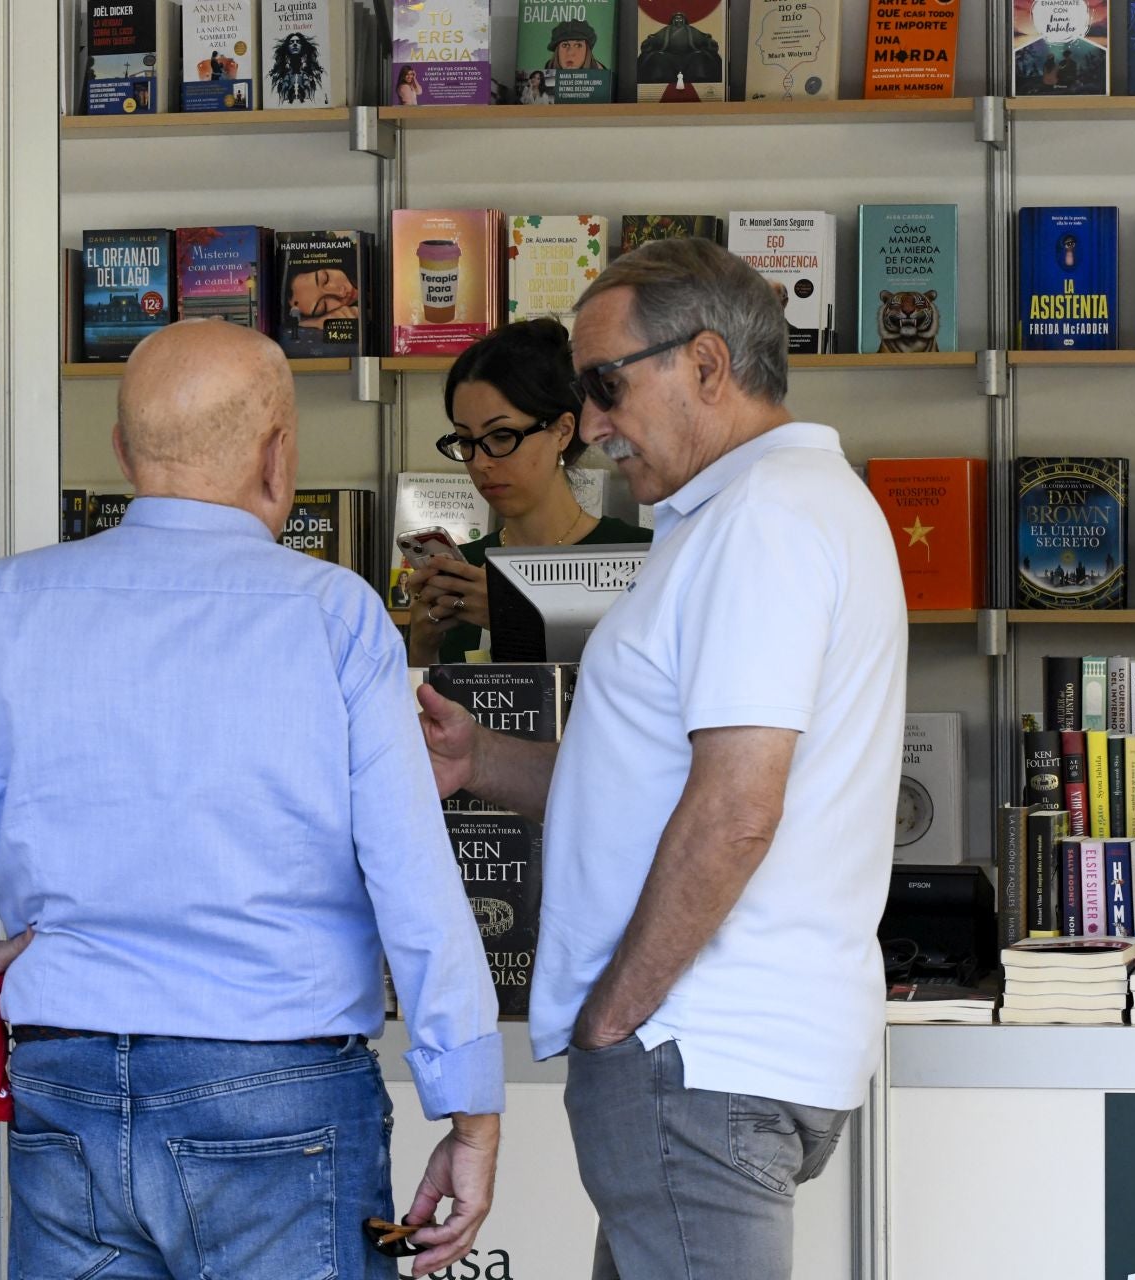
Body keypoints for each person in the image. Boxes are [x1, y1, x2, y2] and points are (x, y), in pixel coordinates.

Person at [0, 319, 503, 1279]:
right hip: (277, 1084)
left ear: (122, 452)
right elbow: (413, 878)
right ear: (280, 453)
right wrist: (470, 1101)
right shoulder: (335, 617)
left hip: (65, 1083)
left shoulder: (0, 607)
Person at [417, 238, 906, 1280]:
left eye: (604, 386)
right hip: (705, 1052)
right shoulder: (758, 510)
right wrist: (480, 758)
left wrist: (614, 1018)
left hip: (694, 1049)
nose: (590, 425)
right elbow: (652, 786)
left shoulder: (764, 521)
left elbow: (735, 809)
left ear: (707, 365)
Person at [405, 318, 651, 667]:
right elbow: (421, 713)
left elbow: (644, 694)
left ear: (563, 431)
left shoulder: (641, 560)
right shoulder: (460, 575)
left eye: (502, 437)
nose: (481, 463)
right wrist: (422, 649)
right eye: (466, 440)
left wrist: (515, 621)